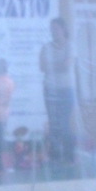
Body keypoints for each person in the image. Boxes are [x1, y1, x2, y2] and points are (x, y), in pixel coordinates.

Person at [39, 17, 76, 164]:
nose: (53, 32)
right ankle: (54, 156)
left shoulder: (70, 46)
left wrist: (52, 65)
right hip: (50, 89)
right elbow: (42, 67)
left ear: (63, 29)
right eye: (51, 29)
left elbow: (66, 66)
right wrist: (57, 65)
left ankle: (69, 155)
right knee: (53, 123)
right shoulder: (46, 47)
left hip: (66, 90)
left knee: (64, 123)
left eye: (56, 29)